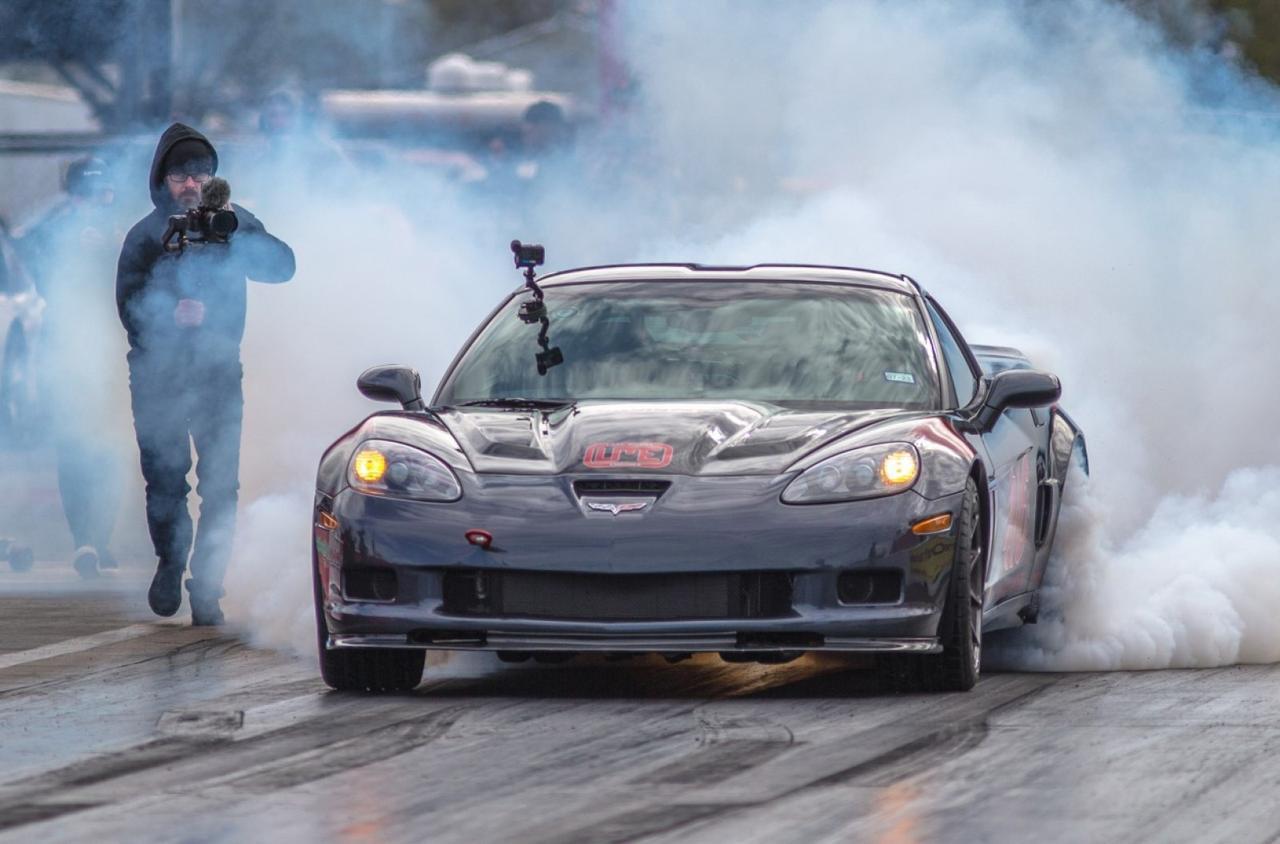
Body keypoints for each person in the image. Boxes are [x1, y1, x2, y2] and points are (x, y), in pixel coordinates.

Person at [116, 123, 295, 624]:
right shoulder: (145, 235)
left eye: (200, 173)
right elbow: (128, 306)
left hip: (218, 372)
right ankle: (170, 562)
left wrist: (241, 232)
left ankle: (209, 586)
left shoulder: (231, 222)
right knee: (167, 482)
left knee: (221, 486)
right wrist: (170, 319)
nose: (191, 183)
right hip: (159, 376)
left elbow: (283, 268)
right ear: (161, 179)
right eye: (180, 174)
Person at [15, 157, 127, 578]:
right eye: (88, 193)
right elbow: (28, 250)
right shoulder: (53, 227)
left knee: (113, 445)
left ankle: (101, 536)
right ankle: (84, 536)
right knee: (74, 445)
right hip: (68, 347)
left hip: (113, 345)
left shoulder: (121, 231)